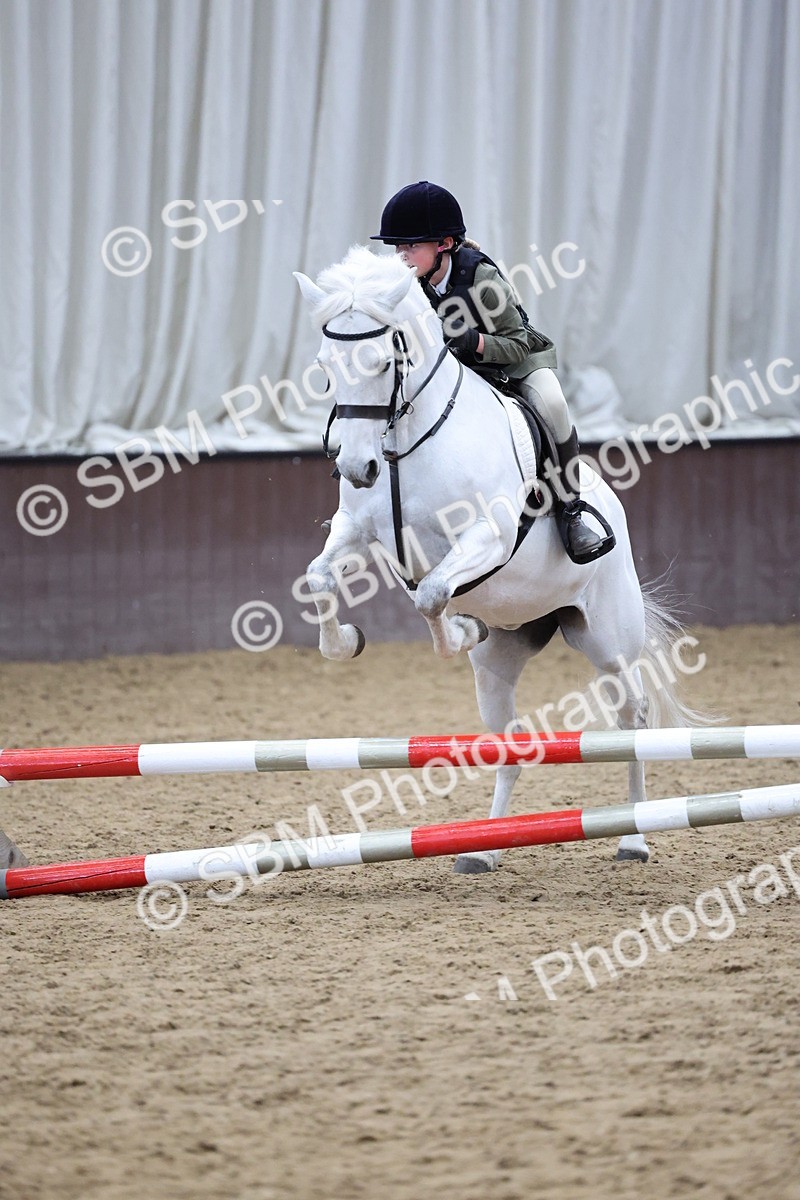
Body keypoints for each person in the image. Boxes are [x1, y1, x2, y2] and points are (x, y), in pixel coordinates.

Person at [371, 180, 613, 564]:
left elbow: (518, 342)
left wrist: (473, 342)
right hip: (458, 372)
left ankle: (571, 512)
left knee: (553, 406)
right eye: (397, 247)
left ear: (445, 244)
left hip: (515, 363)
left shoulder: (483, 282)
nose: (401, 256)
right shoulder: (406, 286)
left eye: (411, 246)